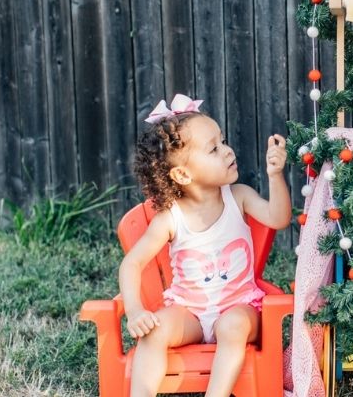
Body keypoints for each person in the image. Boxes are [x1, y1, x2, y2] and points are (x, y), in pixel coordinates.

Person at [118, 94, 291, 396]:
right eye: (214, 149)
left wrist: (275, 177)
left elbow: (278, 219)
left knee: (232, 326)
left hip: (241, 307)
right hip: (190, 314)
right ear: (183, 174)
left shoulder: (239, 196)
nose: (227, 152)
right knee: (154, 331)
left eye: (223, 142)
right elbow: (132, 263)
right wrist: (134, 310)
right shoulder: (170, 218)